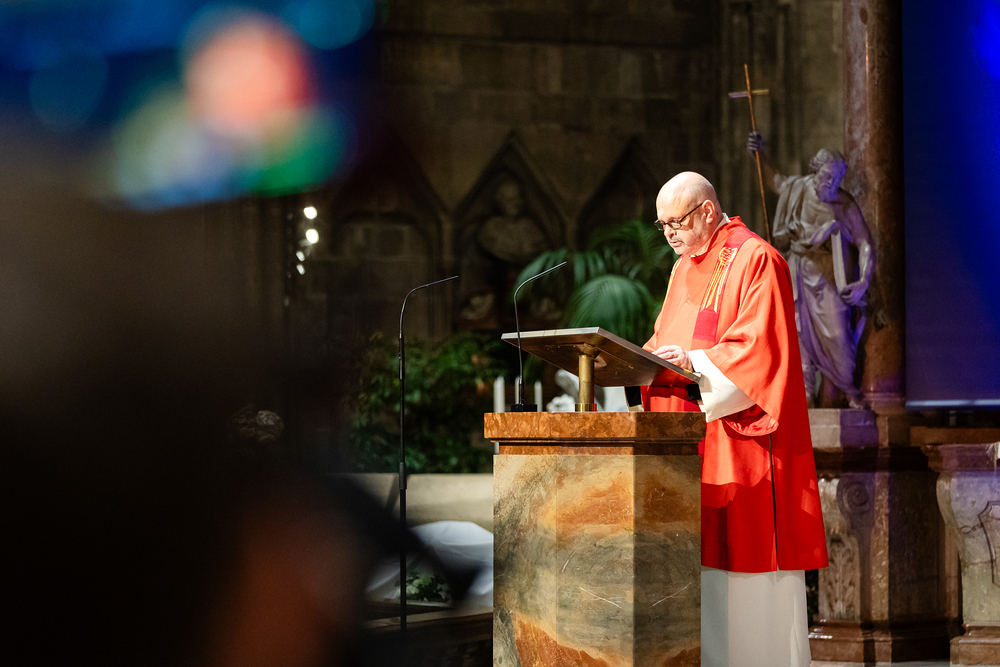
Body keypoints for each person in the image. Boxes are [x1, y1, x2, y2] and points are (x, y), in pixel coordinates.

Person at [641, 172, 828, 667]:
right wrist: (631, 363)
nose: (669, 234)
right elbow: (663, 343)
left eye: (676, 222)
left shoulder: (756, 258)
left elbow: (760, 352)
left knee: (748, 595)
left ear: (707, 210)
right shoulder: (682, 268)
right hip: (692, 447)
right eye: (662, 226)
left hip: (743, 447)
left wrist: (694, 363)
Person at [748, 132, 874, 407]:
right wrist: (760, 155)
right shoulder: (798, 189)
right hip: (798, 271)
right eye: (827, 177)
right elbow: (775, 181)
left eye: (836, 180)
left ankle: (848, 387)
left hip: (829, 278)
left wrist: (863, 280)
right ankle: (804, 397)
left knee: (839, 336)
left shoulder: (843, 204)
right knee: (798, 333)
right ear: (815, 171)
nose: (831, 184)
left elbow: (864, 242)